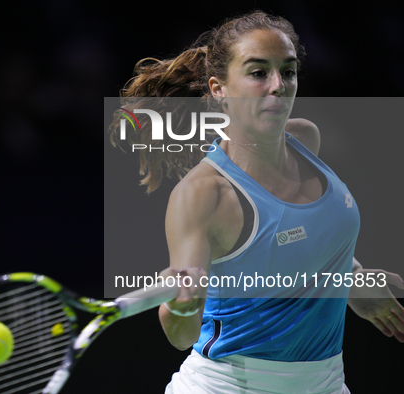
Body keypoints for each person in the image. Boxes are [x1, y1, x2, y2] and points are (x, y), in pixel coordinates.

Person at [109, 11, 404, 394]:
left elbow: (307, 244)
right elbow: (181, 336)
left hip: (327, 382)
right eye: (258, 72)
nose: (278, 85)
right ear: (219, 88)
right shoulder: (204, 194)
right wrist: (184, 303)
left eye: (289, 71)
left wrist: (354, 279)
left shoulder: (305, 139)